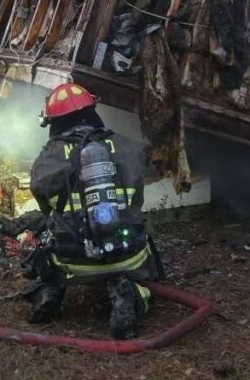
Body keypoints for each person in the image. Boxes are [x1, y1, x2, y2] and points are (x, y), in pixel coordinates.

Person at [26, 82, 158, 337]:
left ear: (54, 122)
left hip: (72, 259)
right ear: (92, 112)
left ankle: (50, 289)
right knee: (139, 236)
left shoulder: (50, 157)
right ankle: (132, 292)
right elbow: (137, 198)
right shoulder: (128, 147)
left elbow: (42, 200)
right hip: (128, 254)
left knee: (46, 236)